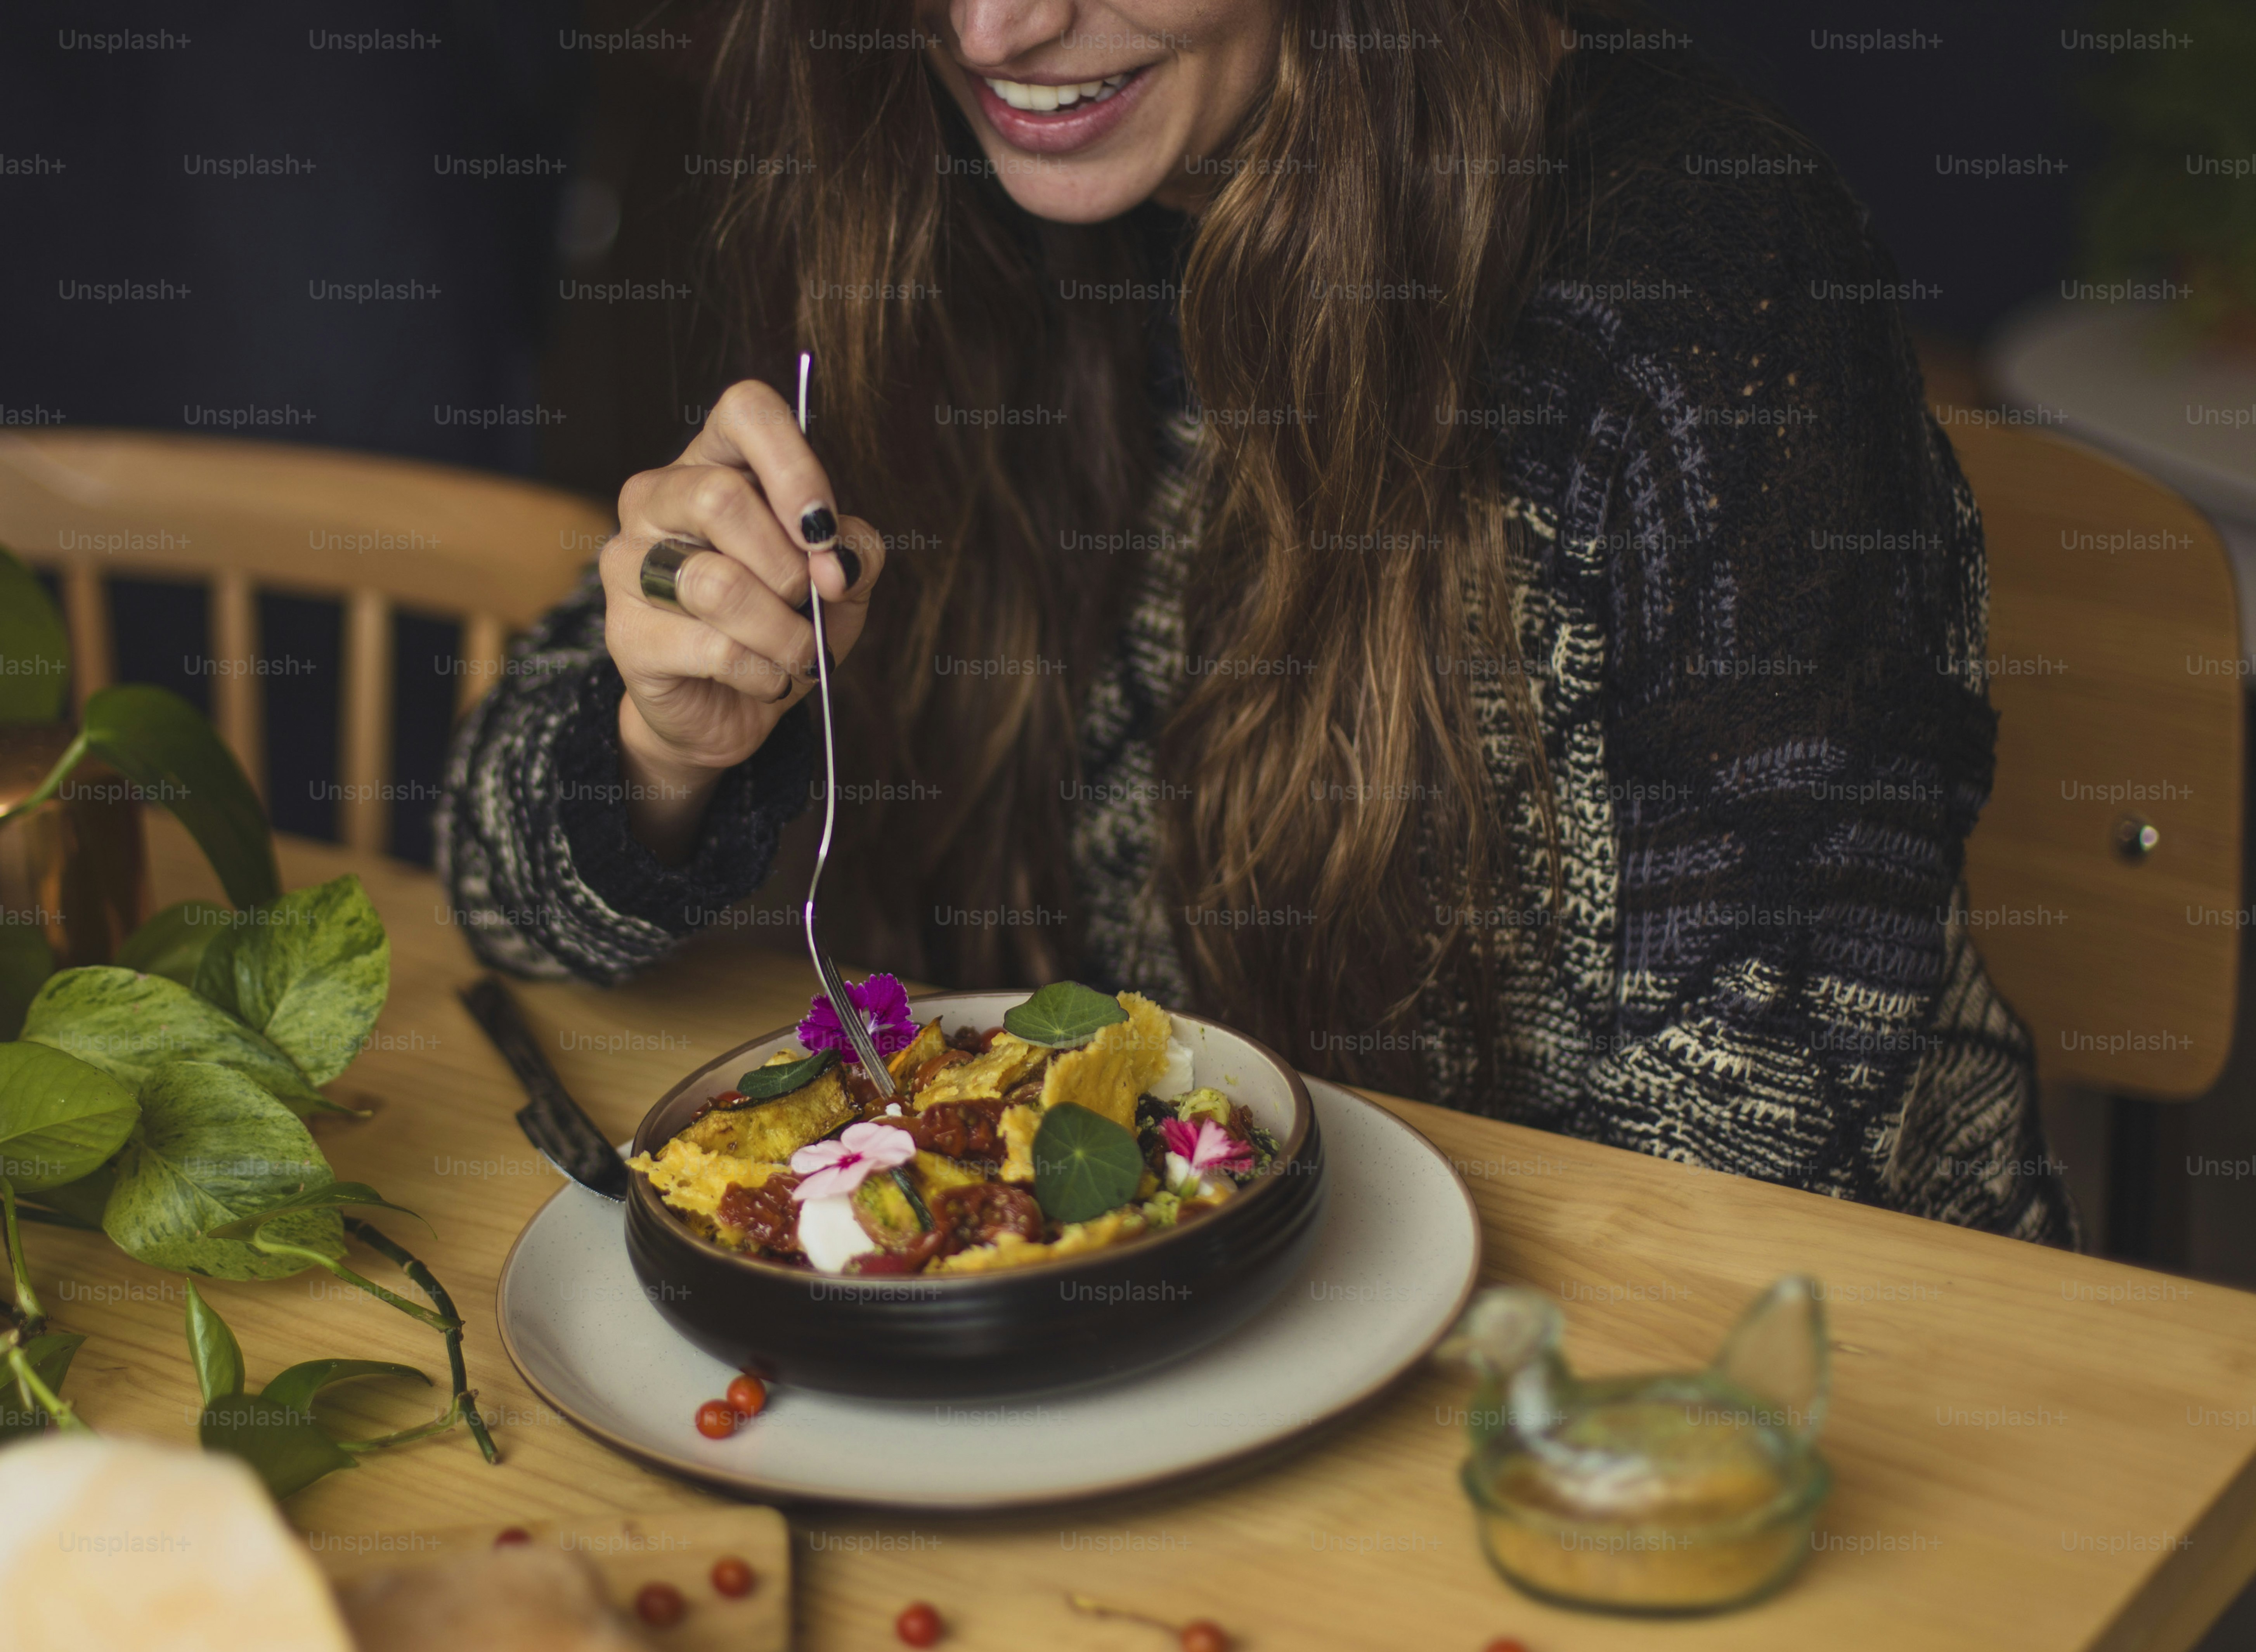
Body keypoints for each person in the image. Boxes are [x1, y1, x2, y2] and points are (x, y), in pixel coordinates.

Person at [438, 0, 2074, 1244]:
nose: (995, 31)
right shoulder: (901, 191)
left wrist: (1131, 1284)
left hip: (1747, 1419)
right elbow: (503, 900)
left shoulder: (1698, 269)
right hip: (1153, 1348)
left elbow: (1756, 1151)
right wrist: (665, 744)